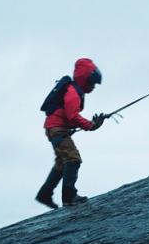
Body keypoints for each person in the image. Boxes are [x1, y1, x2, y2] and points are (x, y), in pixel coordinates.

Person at [35, 58, 105, 209]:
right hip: (57, 129)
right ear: (85, 79)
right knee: (73, 159)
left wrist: (90, 124)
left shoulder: (73, 90)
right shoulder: (73, 93)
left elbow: (69, 116)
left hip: (55, 129)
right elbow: (72, 116)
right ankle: (69, 197)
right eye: (92, 82)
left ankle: (44, 194)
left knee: (62, 163)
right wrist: (91, 125)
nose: (93, 86)